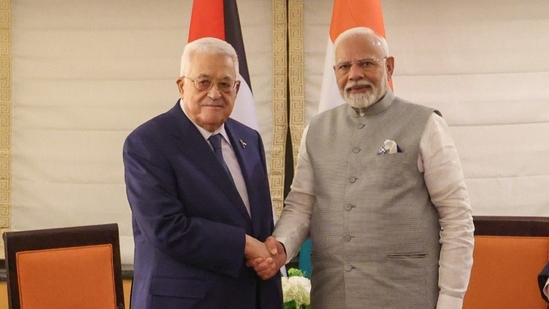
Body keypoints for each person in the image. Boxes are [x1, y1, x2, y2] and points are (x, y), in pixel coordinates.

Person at [251, 26, 475, 309]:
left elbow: (457, 218)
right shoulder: (316, 130)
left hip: (408, 295)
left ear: (389, 67)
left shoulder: (426, 124)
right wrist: (281, 246)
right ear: (335, 73)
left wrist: (452, 300)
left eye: (366, 63)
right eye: (344, 66)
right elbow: (301, 206)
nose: (354, 74)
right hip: (332, 296)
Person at [123, 37, 283, 309]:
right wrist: (243, 244)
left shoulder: (249, 139)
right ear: (181, 85)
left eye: (224, 83)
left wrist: (272, 253)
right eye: (203, 81)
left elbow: (258, 221)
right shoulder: (147, 142)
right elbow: (167, 228)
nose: (214, 93)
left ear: (237, 88)